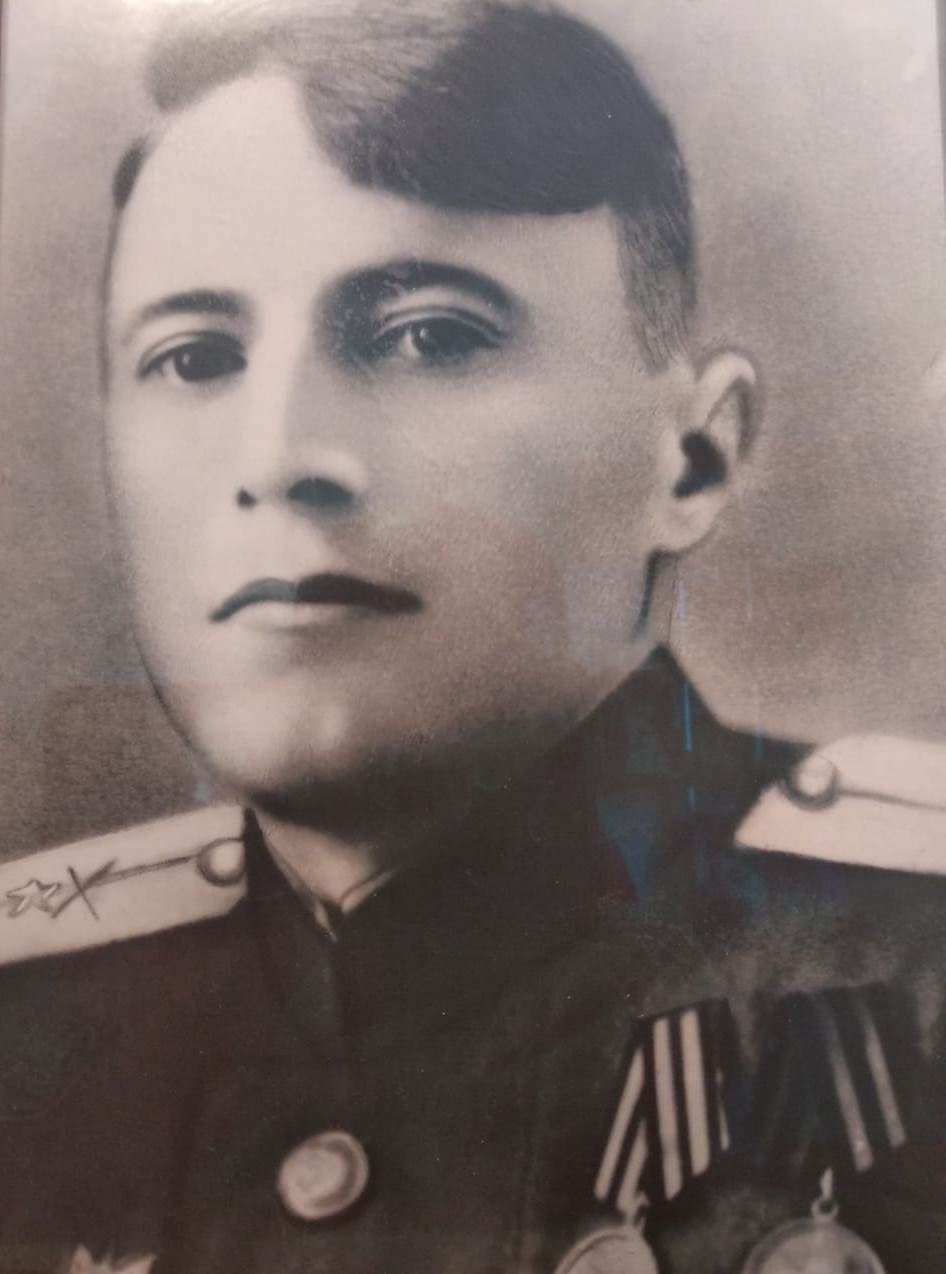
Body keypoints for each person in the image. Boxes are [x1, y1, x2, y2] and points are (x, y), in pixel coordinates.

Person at [1, 2, 945, 1271]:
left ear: (690, 457)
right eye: (193, 355)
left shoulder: (908, 965)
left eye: (429, 336)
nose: (278, 455)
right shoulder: (35, 1022)